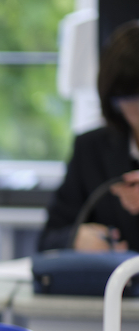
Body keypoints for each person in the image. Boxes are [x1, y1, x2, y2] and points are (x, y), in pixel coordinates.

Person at [38, 20, 139, 252]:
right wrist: (76, 239)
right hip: (109, 287)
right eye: (130, 98)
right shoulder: (91, 149)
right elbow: (47, 240)